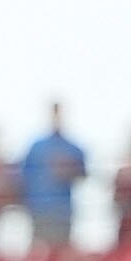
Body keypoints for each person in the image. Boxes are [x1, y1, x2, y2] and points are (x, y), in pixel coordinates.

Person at [21, 104, 88, 253]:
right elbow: (22, 177)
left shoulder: (72, 148)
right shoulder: (36, 147)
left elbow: (83, 174)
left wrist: (67, 170)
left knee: (61, 253)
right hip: (40, 208)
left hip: (63, 210)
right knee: (39, 253)